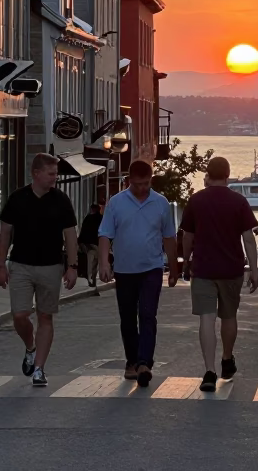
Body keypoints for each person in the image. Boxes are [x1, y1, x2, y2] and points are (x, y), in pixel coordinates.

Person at [0, 153, 79, 388]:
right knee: (20, 315)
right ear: (36, 173)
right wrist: (1, 266)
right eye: (51, 174)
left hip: (51, 266)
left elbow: (70, 236)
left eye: (56, 174)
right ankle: (30, 346)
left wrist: (72, 267)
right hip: (21, 265)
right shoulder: (17, 199)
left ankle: (39, 369)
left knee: (45, 316)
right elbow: (4, 235)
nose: (55, 178)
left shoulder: (61, 200)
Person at [179, 156, 258, 392]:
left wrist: (185, 262)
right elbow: (248, 238)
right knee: (229, 316)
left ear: (207, 174)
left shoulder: (196, 201)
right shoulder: (239, 201)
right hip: (231, 268)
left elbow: (187, 236)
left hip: (203, 268)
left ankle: (209, 371)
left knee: (206, 318)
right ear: (228, 174)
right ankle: (227, 358)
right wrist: (254, 270)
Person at [98, 161, 178, 387]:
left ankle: (144, 363)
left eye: (146, 183)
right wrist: (104, 263)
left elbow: (169, 237)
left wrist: (173, 268)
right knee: (127, 318)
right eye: (138, 184)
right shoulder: (117, 202)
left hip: (151, 268)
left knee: (147, 314)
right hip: (124, 269)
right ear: (129, 180)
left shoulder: (160, 203)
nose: (143, 188)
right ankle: (131, 361)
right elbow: (105, 234)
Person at [79, 203, 104, 287]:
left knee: (90, 262)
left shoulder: (87, 218)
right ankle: (93, 279)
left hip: (89, 244)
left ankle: (90, 279)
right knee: (95, 263)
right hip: (98, 244)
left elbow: (83, 230)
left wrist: (81, 242)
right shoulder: (101, 218)